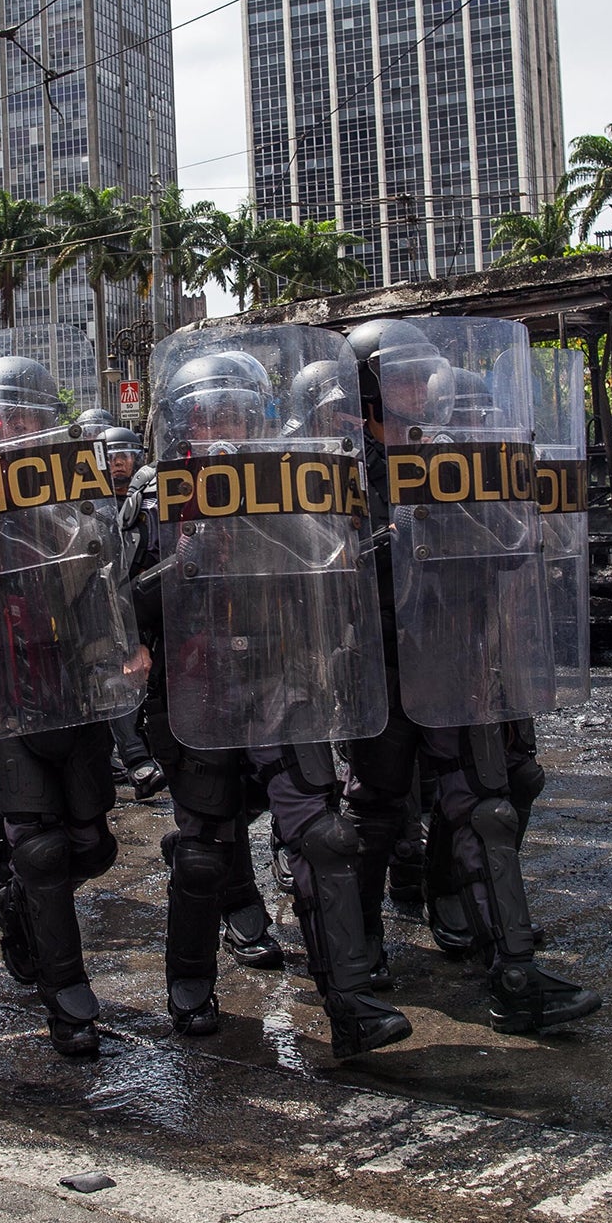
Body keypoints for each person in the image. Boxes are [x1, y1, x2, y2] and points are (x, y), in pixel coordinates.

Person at [134, 346, 399, 1057]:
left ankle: (351, 1004)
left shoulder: (288, 479)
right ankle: (189, 987)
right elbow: (125, 604)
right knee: (202, 854)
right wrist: (187, 552)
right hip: (196, 688)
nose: (224, 425)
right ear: (183, 422)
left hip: (283, 678)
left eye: (238, 413)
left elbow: (329, 564)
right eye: (209, 413)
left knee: (323, 834)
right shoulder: (154, 490)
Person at [342, 318, 601, 1036]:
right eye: (397, 377)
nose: (416, 390)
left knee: (483, 807)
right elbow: (318, 576)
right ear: (368, 389)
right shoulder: (340, 470)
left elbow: (513, 550)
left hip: (457, 658)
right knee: (374, 814)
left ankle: (514, 972)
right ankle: (354, 964)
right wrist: (381, 545)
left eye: (419, 376)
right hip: (384, 667)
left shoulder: (455, 457)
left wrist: (496, 518)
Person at [0, 355, 146, 1056]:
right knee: (44, 848)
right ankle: (68, 1002)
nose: (16, 428)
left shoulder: (75, 494)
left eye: (28, 415)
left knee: (91, 844)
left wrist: (127, 645)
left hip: (76, 690)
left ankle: (18, 900)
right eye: (4, 416)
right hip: (4, 698)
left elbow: (109, 578)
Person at [97, 424, 166, 803]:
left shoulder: (150, 495)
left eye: (125, 455)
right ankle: (134, 755)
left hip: (149, 598)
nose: (119, 464)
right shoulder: (89, 500)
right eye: (111, 457)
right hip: (107, 604)